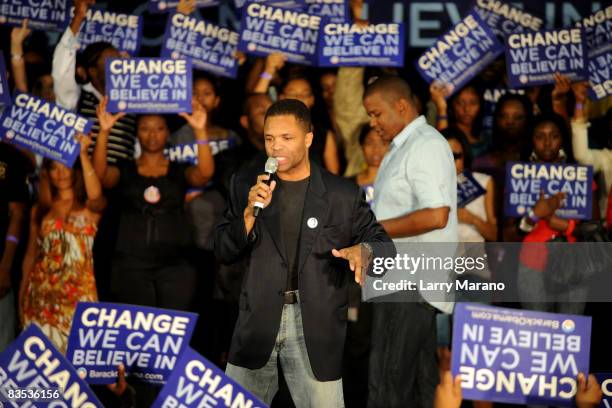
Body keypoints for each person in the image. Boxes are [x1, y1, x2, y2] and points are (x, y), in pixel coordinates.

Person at [214, 99, 392, 406]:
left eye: (287, 138)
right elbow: (223, 250)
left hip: (316, 326)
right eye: (270, 138)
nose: (276, 148)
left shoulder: (342, 194)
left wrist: (364, 251)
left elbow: (384, 248)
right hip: (257, 321)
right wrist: (247, 216)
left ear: (308, 139)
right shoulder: (246, 183)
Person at [363, 76, 457, 408]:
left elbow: (436, 215)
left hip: (409, 284)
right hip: (405, 284)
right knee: (420, 388)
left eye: (376, 114)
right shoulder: (404, 147)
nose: (372, 124)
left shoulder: (425, 145)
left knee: (386, 387)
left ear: (400, 106)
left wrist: (371, 230)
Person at [92, 97, 214, 310]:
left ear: (167, 133)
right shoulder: (125, 168)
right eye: (145, 128)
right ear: (136, 133)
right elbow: (101, 175)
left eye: (159, 128)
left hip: (176, 264)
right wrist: (104, 132)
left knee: (173, 331)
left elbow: (204, 174)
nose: (152, 134)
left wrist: (201, 131)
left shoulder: (179, 169)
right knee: (137, 331)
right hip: (130, 264)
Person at [19, 135, 105, 353]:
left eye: (66, 166)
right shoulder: (40, 210)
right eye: (54, 168)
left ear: (75, 169)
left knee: (76, 361)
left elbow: (96, 195)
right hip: (41, 295)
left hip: (79, 294)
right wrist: (21, 297)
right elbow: (30, 256)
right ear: (47, 173)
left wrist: (83, 153)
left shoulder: (90, 206)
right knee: (41, 365)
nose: (61, 173)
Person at [0, 142, 29, 351]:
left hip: (0, 264)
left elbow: (17, 214)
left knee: (3, 348)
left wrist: (5, 267)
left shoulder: (10, 155)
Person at [431, 83, 489, 158]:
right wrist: (441, 108)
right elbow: (440, 150)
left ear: (480, 105)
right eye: (460, 103)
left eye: (473, 103)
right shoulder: (446, 133)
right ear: (452, 105)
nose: (466, 109)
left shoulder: (487, 139)